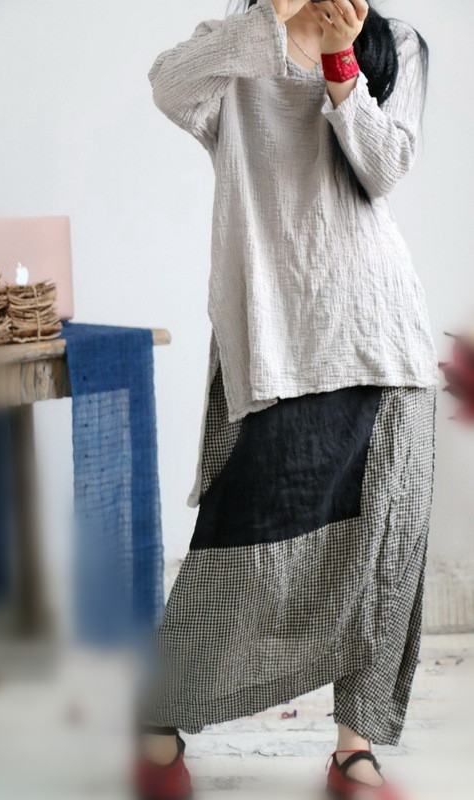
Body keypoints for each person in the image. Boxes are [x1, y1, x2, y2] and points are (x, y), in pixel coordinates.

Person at [136, 1, 438, 798]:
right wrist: (276, 19)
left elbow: (383, 169)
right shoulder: (235, 46)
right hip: (278, 337)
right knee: (240, 543)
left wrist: (342, 63)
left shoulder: (395, 43)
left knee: (385, 546)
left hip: (380, 331)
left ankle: (353, 745)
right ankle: (157, 718)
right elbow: (168, 87)